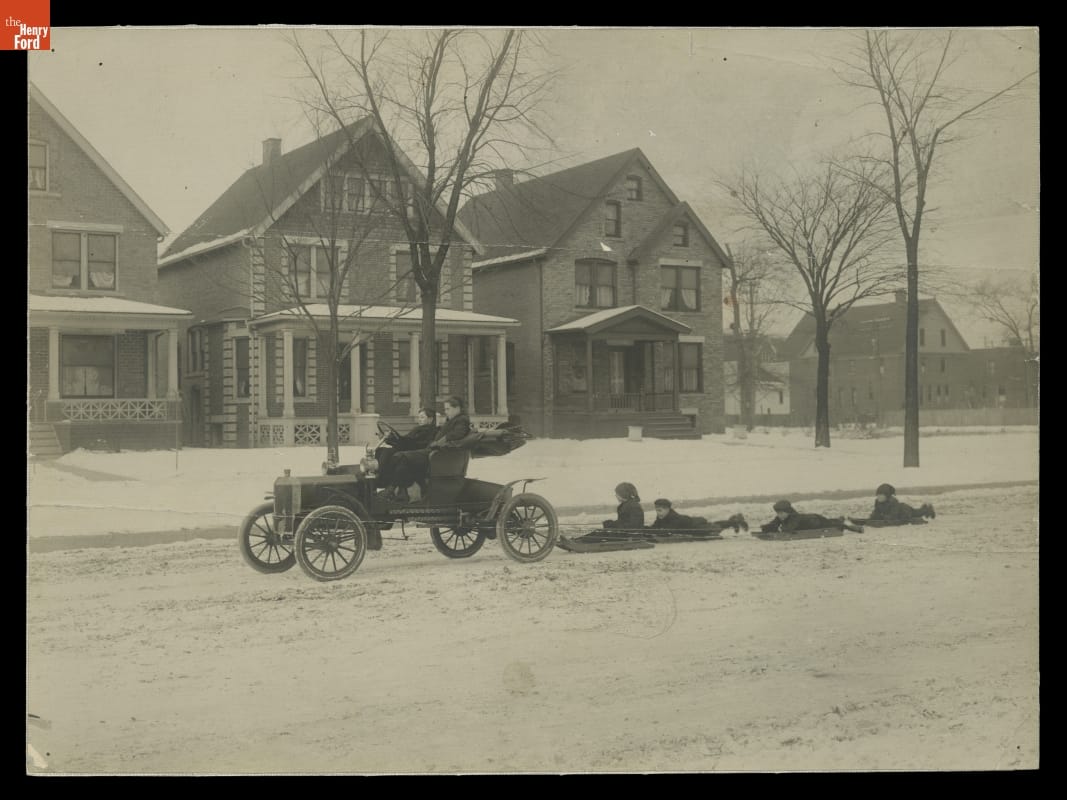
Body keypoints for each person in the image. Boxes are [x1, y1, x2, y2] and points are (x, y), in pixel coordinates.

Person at [386, 396, 472, 501]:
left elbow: (456, 434)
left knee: (400, 456)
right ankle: (400, 492)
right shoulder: (454, 420)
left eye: (447, 409)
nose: (445, 412)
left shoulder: (462, 420)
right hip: (435, 451)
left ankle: (392, 489)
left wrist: (438, 443)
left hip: (439, 453)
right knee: (402, 458)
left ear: (457, 408)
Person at [375, 407, 437, 488]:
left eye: (422, 417)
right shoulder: (419, 429)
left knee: (387, 452)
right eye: (419, 417)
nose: (419, 420)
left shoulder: (430, 431)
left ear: (430, 419)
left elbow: (410, 443)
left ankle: (381, 479)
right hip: (409, 450)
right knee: (381, 450)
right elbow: (406, 441)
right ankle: (378, 475)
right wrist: (390, 439)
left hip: (416, 454)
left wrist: (392, 439)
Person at [760, 499, 864, 534]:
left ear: (788, 512)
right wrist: (766, 528)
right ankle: (840, 519)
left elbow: (789, 529)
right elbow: (773, 524)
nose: (779, 516)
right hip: (810, 520)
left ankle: (853, 527)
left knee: (834, 525)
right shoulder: (780, 517)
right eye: (778, 513)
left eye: (782, 513)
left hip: (814, 521)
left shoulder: (794, 517)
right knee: (831, 521)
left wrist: (778, 529)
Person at [650, 498, 748, 534]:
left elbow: (669, 530)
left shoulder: (673, 518)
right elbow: (655, 527)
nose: (658, 513)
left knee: (714, 528)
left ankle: (734, 521)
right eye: (656, 510)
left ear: (667, 509)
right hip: (692, 523)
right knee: (713, 524)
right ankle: (732, 520)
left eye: (660, 510)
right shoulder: (662, 517)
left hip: (695, 525)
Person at [853, 483, 936, 526]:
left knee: (916, 513)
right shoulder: (878, 502)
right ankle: (925, 509)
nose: (878, 497)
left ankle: (927, 509)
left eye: (881, 495)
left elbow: (893, 517)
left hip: (904, 511)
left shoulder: (893, 503)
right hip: (896, 513)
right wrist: (872, 518)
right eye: (878, 495)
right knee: (916, 512)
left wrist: (882, 517)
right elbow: (876, 512)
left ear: (887, 496)